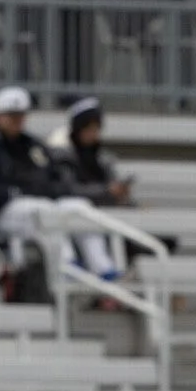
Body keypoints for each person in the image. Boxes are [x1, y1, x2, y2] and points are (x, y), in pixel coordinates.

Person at [0, 87, 108, 296]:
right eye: (12, 116)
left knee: (80, 208)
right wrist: (12, 192)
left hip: (38, 202)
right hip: (0, 213)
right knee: (42, 211)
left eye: (21, 116)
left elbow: (51, 177)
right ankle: (67, 266)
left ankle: (104, 268)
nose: (17, 121)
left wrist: (43, 189)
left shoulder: (32, 146)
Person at [48, 97, 131, 282]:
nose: (93, 134)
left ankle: (106, 272)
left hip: (100, 213)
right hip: (69, 211)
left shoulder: (102, 158)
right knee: (78, 207)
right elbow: (67, 190)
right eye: (89, 128)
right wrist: (106, 192)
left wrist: (119, 194)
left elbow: (109, 183)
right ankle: (91, 267)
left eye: (96, 129)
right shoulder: (62, 154)